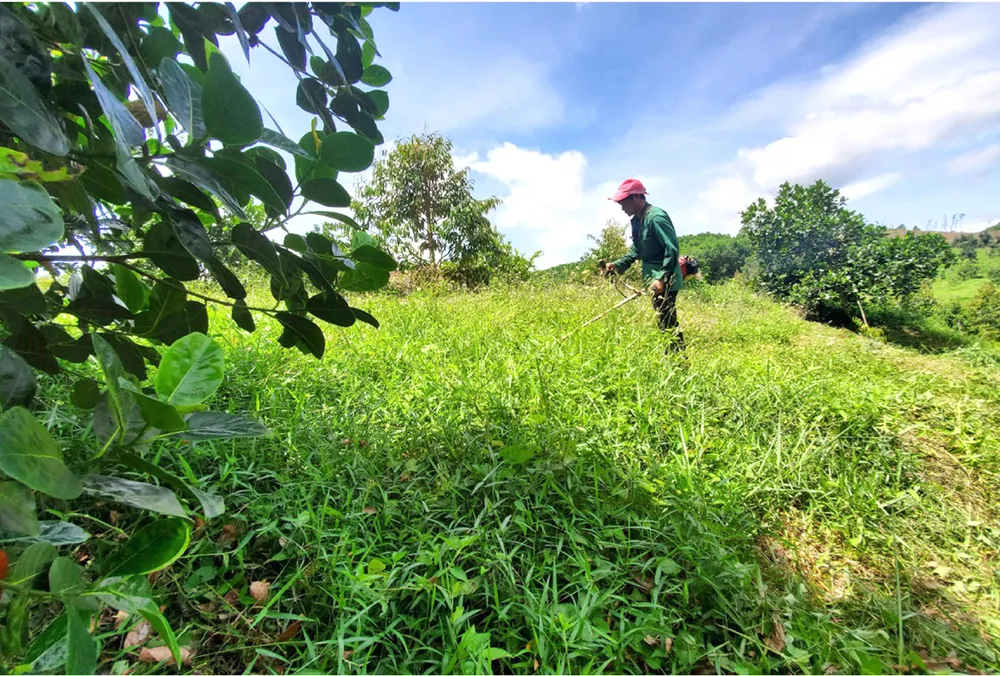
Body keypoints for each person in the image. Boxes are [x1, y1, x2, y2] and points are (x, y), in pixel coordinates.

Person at [602, 178, 685, 353]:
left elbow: (671, 248)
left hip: (665, 279)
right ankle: (673, 359)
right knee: (663, 323)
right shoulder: (637, 221)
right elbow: (637, 250)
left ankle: (680, 363)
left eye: (623, 202)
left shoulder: (656, 217)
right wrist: (616, 265)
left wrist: (661, 278)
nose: (622, 207)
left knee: (668, 323)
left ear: (636, 197)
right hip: (653, 279)